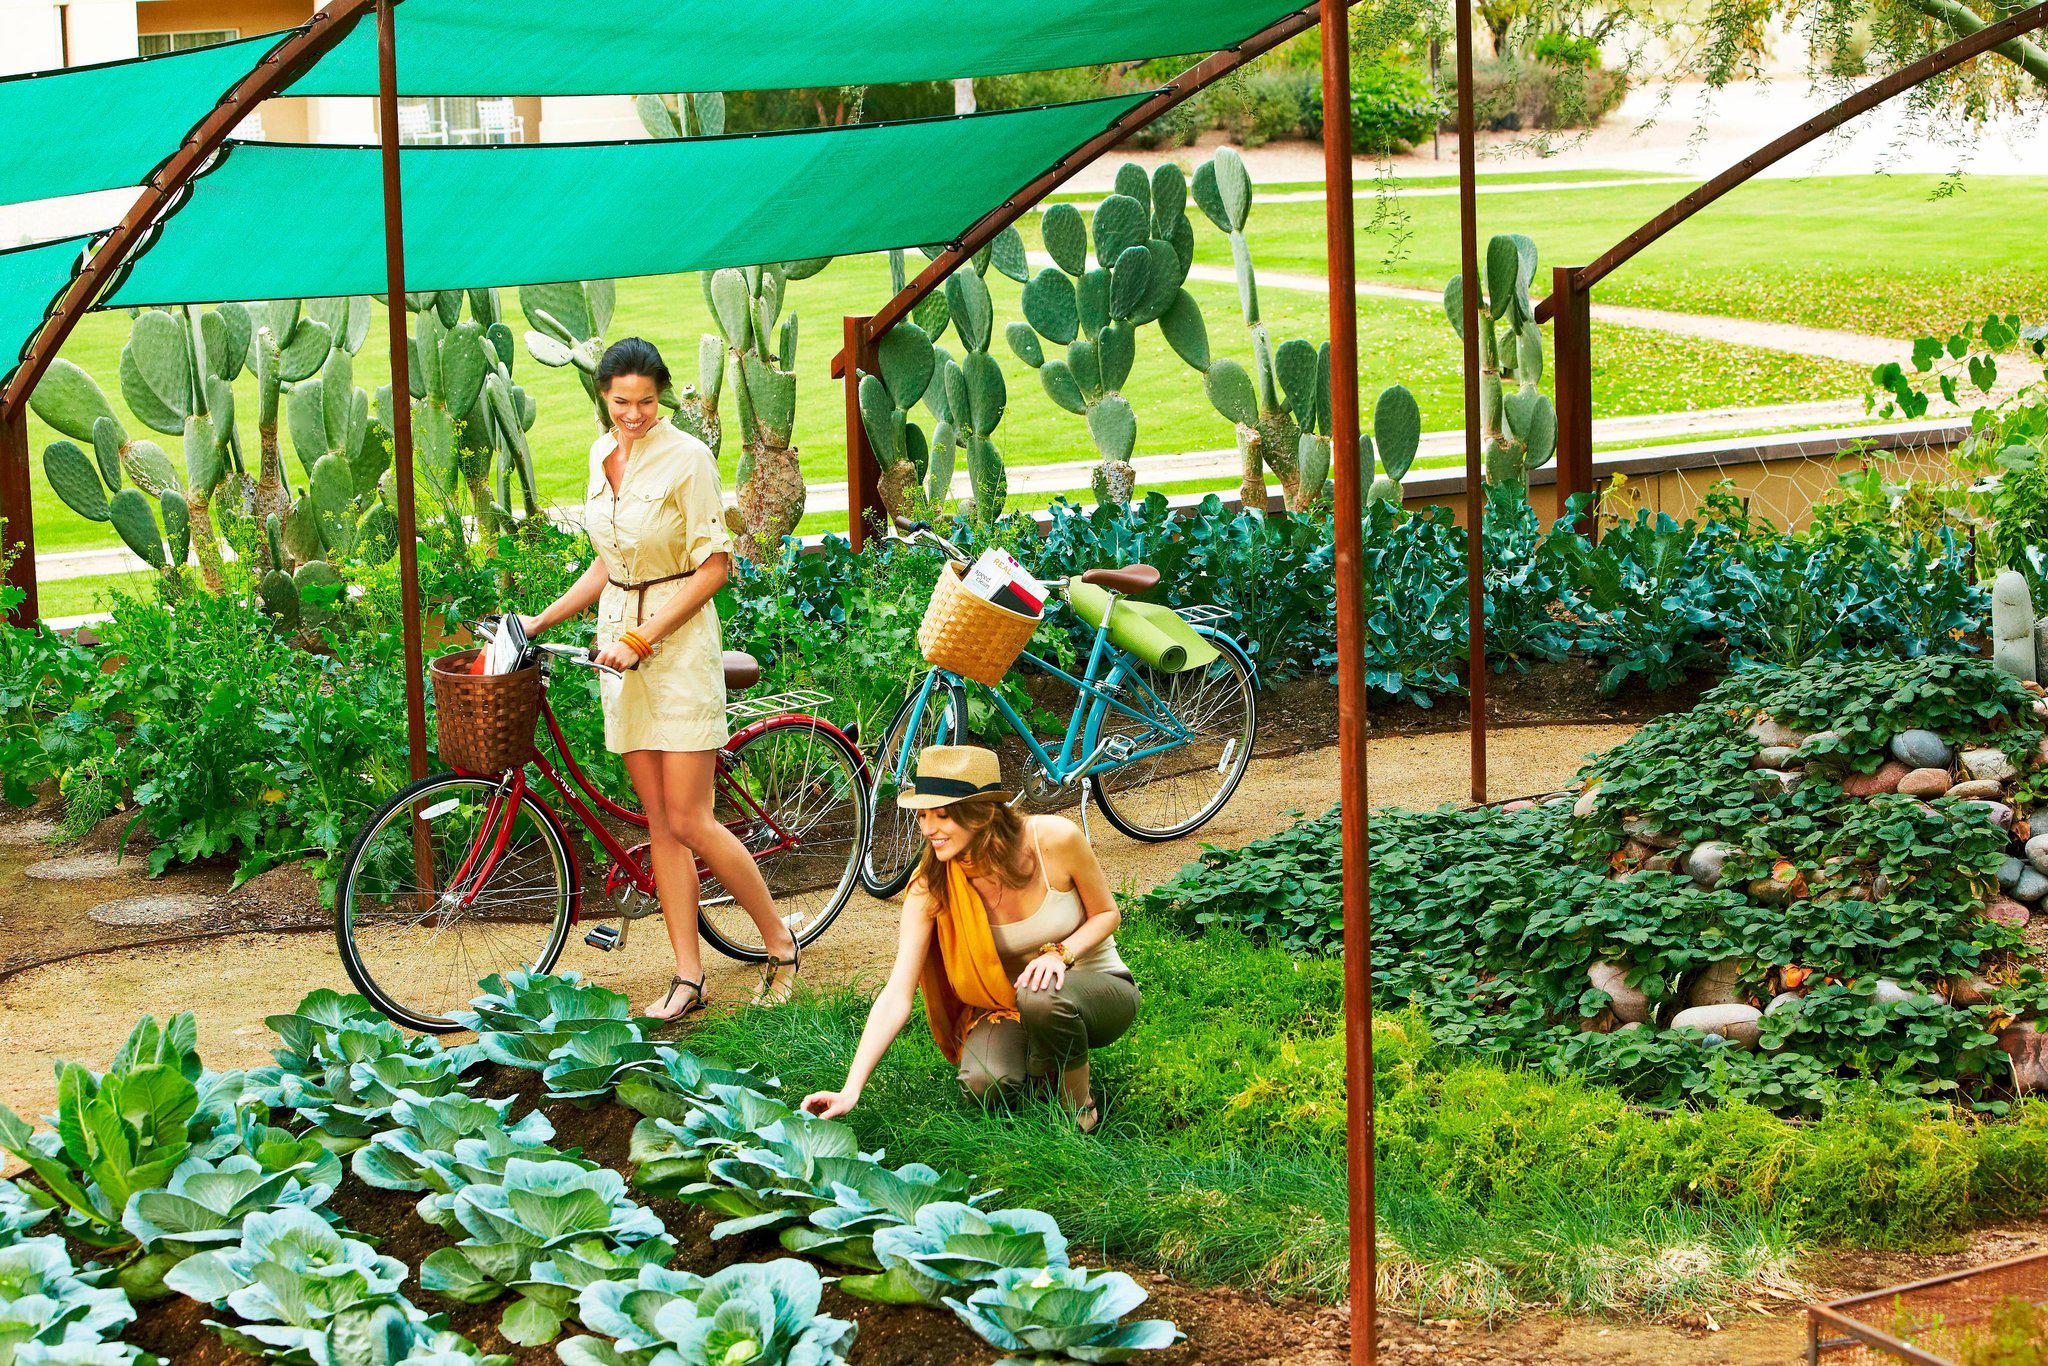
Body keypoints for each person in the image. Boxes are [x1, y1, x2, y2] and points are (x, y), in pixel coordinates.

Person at [519, 337, 796, 1017]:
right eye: (621, 402)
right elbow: (608, 563)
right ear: (603, 396)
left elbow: (715, 568)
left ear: (660, 396)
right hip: (618, 642)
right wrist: (540, 620)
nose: (634, 414)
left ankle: (780, 943)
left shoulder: (688, 458)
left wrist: (644, 637)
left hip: (676, 647)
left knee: (691, 819)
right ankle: (687, 977)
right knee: (660, 825)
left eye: (645, 401)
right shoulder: (600, 455)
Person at [801, 745, 1139, 1132]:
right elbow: (897, 993)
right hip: (1006, 1004)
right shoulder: (931, 887)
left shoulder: (1054, 839)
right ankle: (1042, 1063)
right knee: (985, 1083)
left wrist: (1059, 953)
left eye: (943, 815)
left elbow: (1107, 914)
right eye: (923, 815)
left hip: (1095, 987)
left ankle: (1077, 1111)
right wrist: (850, 1089)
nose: (928, 829)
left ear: (982, 813)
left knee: (1042, 995)